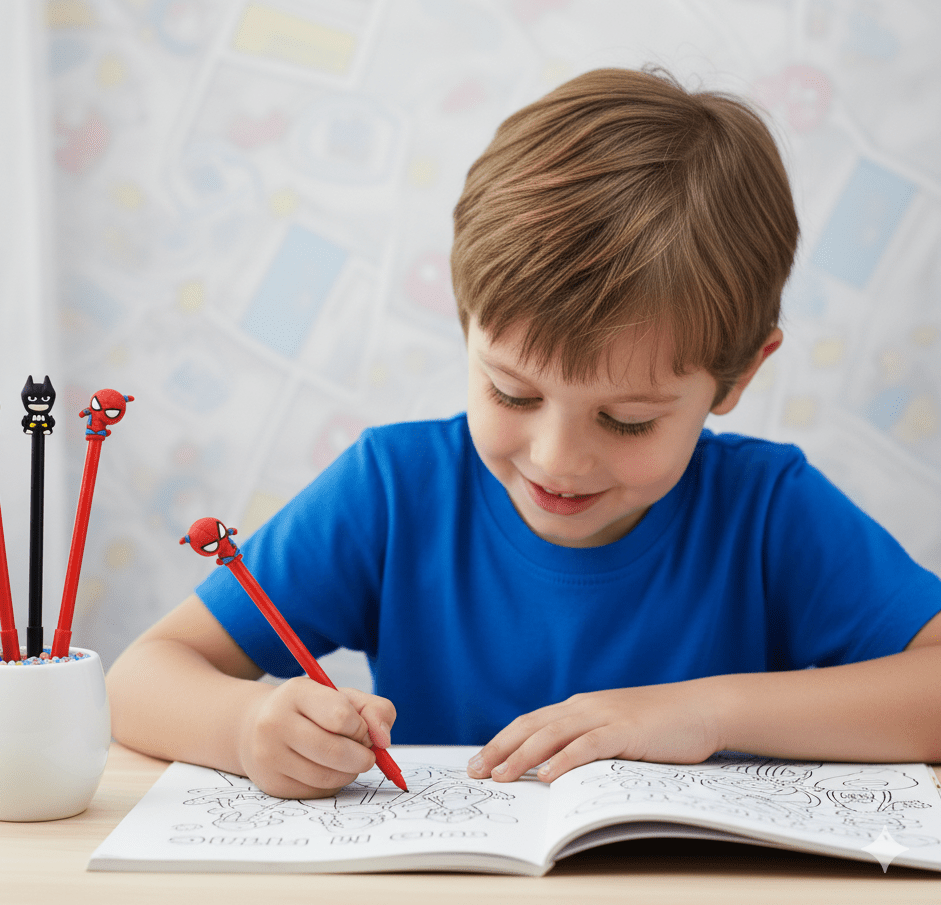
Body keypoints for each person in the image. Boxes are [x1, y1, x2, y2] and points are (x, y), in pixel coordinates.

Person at [107, 67, 941, 800]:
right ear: (466, 326)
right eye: (511, 391)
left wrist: (704, 711)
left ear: (739, 377)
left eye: (628, 419)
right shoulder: (393, 491)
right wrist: (250, 725)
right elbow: (140, 680)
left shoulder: (768, 513)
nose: (556, 458)